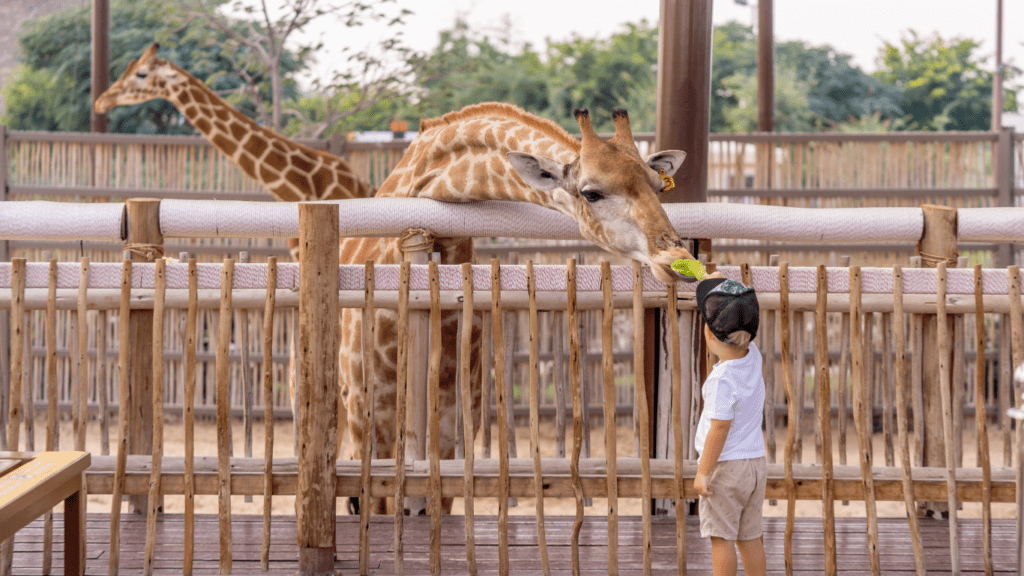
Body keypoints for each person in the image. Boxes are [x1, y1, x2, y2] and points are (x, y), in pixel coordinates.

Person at [693, 275, 767, 576]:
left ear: (709, 336)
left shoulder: (722, 380)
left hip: (725, 469)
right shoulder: (753, 357)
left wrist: (703, 472)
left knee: (721, 539)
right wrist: (701, 273)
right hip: (755, 465)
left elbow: (719, 428)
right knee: (751, 538)